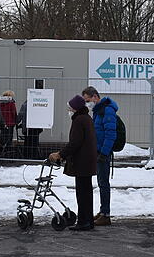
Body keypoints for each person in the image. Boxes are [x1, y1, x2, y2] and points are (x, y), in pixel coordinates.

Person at [49, 95, 98, 231]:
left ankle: (83, 222)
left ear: (76, 108)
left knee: (82, 193)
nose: (69, 110)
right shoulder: (87, 119)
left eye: (70, 107)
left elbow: (75, 143)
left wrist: (60, 154)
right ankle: (88, 220)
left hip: (82, 162)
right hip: (88, 161)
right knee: (87, 193)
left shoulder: (79, 120)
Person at [81, 86, 118, 226]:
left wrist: (104, 152)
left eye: (88, 100)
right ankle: (103, 211)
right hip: (98, 151)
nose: (87, 103)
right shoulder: (98, 110)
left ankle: (106, 215)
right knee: (101, 183)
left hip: (103, 152)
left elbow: (110, 134)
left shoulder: (106, 110)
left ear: (95, 97)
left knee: (104, 183)